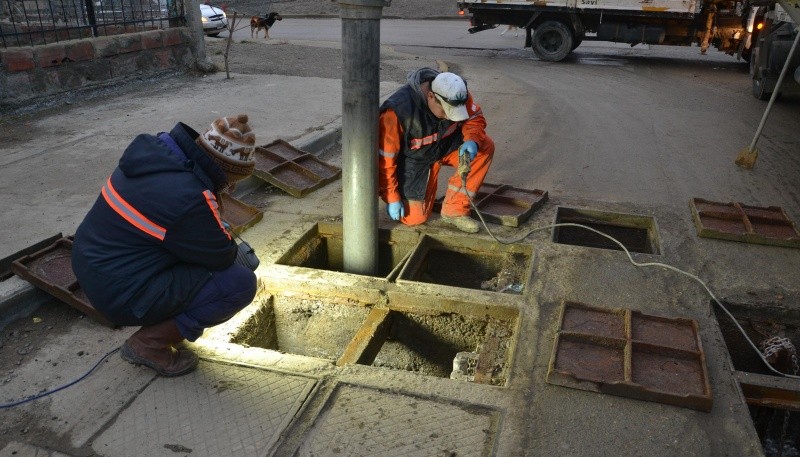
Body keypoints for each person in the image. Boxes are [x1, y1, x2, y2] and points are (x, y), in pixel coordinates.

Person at [71, 114, 259, 377]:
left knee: (193, 255)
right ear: (223, 172)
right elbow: (222, 257)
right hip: (119, 292)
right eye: (231, 181)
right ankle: (149, 345)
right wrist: (216, 213)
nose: (232, 187)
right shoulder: (191, 197)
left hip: (92, 264)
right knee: (237, 283)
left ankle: (163, 322)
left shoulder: (157, 156)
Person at [378, 67, 495, 233]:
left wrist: (472, 140)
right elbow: (385, 160)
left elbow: (475, 118)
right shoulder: (397, 111)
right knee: (415, 218)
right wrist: (392, 196)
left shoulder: (457, 93)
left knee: (485, 146)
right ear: (431, 96)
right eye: (445, 112)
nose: (449, 117)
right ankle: (405, 196)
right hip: (414, 159)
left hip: (445, 146)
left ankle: (455, 210)